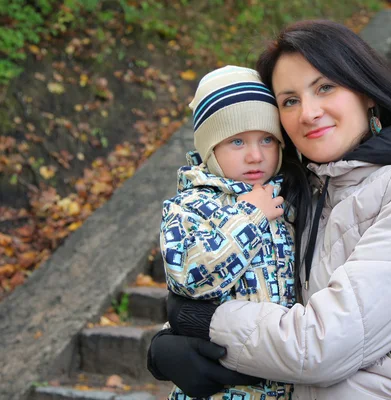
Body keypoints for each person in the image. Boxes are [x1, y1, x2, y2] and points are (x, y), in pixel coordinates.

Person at [149, 20, 391, 400]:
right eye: (289, 100)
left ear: (367, 92)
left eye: (325, 87)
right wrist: (168, 344)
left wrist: (203, 322)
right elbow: (259, 294)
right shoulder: (306, 195)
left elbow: (323, 346)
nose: (308, 113)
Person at [153, 65, 297, 400]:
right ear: (210, 148)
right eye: (236, 141)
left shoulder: (289, 200)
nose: (255, 155)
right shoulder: (187, 207)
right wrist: (249, 215)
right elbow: (191, 277)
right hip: (220, 390)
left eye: (267, 139)